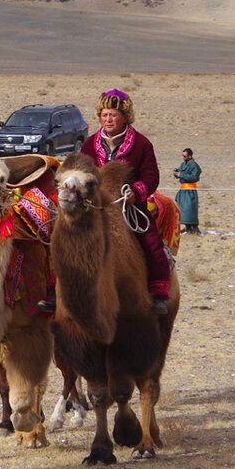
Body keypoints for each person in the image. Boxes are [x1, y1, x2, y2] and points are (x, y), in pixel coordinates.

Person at [81, 89, 170, 314]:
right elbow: (81, 171)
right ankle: (58, 290)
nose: (108, 119)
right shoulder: (90, 144)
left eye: (113, 115)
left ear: (125, 117)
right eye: (104, 115)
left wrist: (136, 192)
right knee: (67, 237)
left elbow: (151, 176)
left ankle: (159, 293)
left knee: (152, 242)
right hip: (95, 206)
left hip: (129, 207)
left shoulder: (141, 144)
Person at [173, 147, 201, 234]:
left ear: (190, 156)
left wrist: (181, 174)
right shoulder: (183, 164)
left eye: (185, 156)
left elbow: (194, 177)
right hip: (182, 190)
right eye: (183, 156)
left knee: (190, 209)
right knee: (180, 208)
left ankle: (194, 227)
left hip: (190, 191)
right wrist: (176, 173)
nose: (183, 158)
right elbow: (179, 173)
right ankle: (187, 227)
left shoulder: (194, 166)